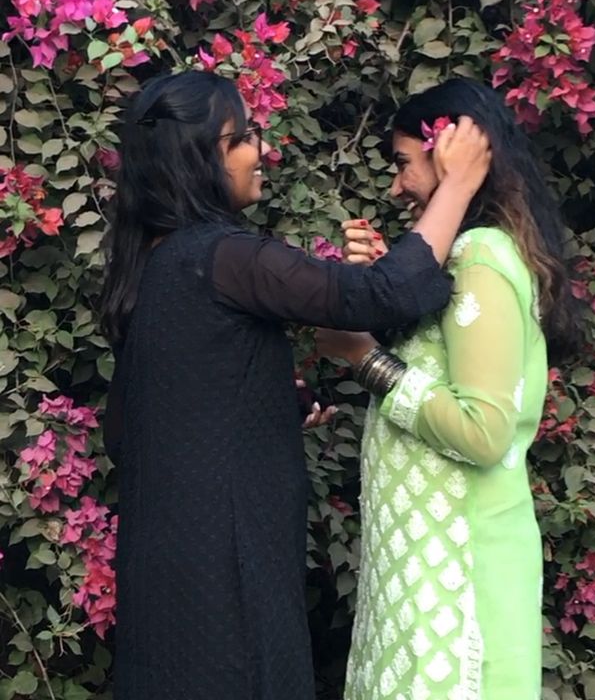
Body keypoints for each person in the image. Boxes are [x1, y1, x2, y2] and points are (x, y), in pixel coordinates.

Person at [98, 70, 491, 700]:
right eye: (245, 137)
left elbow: (131, 426)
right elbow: (383, 294)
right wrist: (461, 185)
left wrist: (268, 410)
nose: (262, 151)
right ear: (204, 155)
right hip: (229, 576)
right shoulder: (227, 256)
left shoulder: (151, 264)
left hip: (161, 580)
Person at [316, 79, 581, 700]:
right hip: (424, 577)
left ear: (450, 152)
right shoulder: (467, 257)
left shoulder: (483, 259)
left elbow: (484, 433)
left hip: (457, 582)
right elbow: (441, 366)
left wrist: (365, 359)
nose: (396, 186)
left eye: (404, 164)